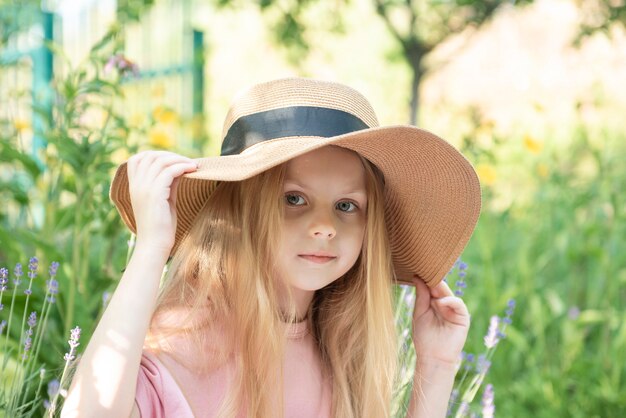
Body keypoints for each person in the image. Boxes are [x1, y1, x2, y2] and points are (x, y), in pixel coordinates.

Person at [62, 77, 481, 418]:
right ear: (239, 210)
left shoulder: (340, 352)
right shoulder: (186, 345)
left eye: (346, 205)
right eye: (293, 198)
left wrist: (437, 367)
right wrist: (151, 250)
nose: (324, 227)